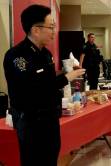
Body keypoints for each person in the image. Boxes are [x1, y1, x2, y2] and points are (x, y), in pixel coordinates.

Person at [3, 4, 85, 166]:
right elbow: (33, 87)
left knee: (50, 158)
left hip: (50, 119)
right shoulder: (17, 56)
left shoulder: (46, 54)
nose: (54, 32)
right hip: (31, 122)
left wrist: (63, 74)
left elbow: (48, 81)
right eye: (51, 27)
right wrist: (67, 77)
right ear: (36, 30)